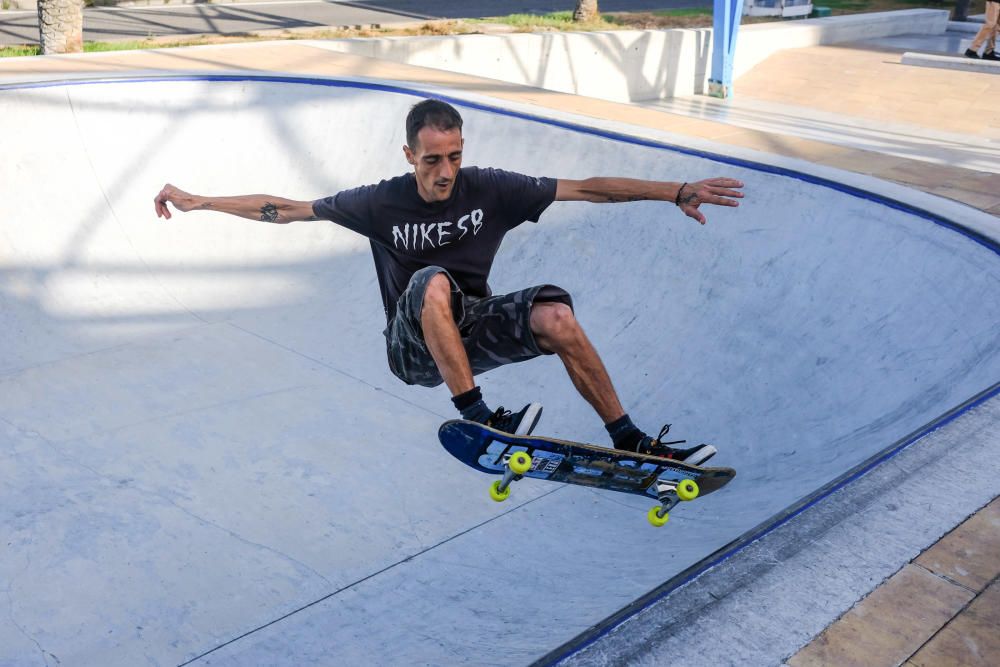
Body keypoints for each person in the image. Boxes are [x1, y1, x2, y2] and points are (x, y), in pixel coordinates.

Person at [153, 99, 744, 464]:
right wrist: (200, 201)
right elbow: (283, 209)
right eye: (431, 160)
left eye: (453, 157)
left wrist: (676, 191)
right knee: (433, 279)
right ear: (409, 154)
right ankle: (478, 415)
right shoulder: (376, 202)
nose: (444, 172)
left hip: (468, 335)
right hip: (411, 348)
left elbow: (586, 187)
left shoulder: (491, 187)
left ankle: (628, 437)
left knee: (556, 314)